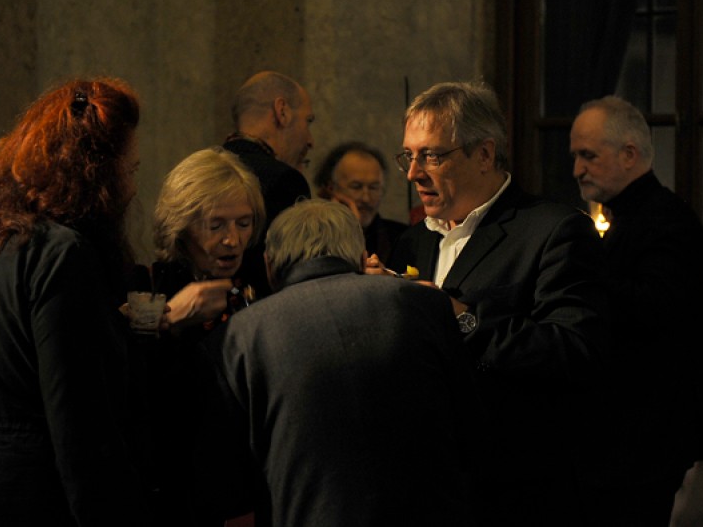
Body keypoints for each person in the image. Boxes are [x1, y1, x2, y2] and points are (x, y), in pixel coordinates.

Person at [367, 80, 610, 527]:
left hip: (516, 491)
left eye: (432, 155)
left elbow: (574, 351)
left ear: (484, 154)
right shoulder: (411, 243)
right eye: (409, 155)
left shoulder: (553, 231)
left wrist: (461, 320)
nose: (413, 172)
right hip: (427, 487)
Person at [0, 78, 150, 526]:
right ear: (97, 173)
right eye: (129, 170)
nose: (131, 188)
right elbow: (80, 429)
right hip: (34, 506)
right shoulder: (62, 254)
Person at [211, 199, 479, 527]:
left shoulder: (241, 334)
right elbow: (468, 421)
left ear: (269, 264)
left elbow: (231, 478)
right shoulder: (423, 303)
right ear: (361, 256)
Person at [570, 95, 703, 526]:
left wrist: (578, 274)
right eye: (575, 157)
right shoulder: (634, 217)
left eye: (588, 156)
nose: (577, 169)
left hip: (649, 439)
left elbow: (654, 312)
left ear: (630, 154)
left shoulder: (664, 221)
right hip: (634, 437)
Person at [142, 147, 266, 526]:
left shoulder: (259, 287)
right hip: (176, 494)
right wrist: (165, 321)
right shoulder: (149, 288)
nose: (232, 240)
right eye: (216, 225)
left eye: (243, 223)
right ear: (182, 226)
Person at [222, 71, 314, 299]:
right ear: (281, 111)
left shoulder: (198, 174)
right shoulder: (284, 181)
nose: (310, 139)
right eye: (308, 121)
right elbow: (296, 282)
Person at [314, 141, 408, 263]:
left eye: (373, 187)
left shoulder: (402, 238)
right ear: (331, 188)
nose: (366, 198)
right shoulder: (314, 236)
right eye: (356, 187)